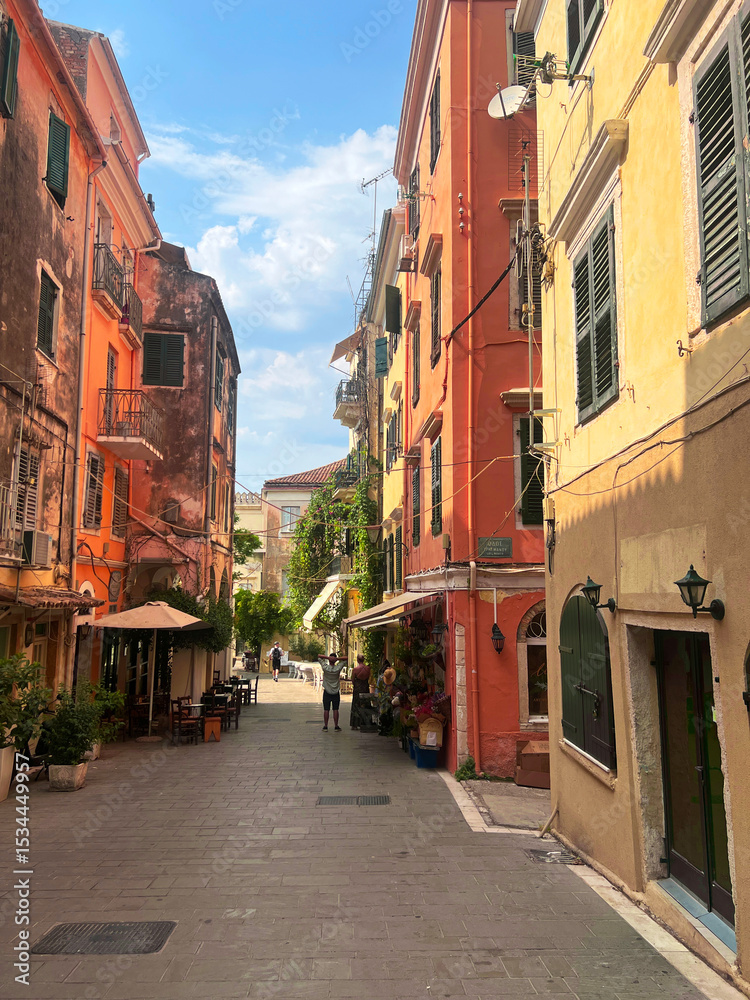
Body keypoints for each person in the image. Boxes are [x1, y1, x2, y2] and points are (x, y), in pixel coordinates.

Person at [318, 652, 348, 731]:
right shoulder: (338, 668)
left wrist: (329, 658)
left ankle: (325, 726)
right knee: (335, 709)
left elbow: (319, 656)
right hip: (336, 691)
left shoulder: (325, 668)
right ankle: (336, 726)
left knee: (326, 709)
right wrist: (337, 659)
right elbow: (346, 658)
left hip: (327, 691)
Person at [350, 654, 371, 730]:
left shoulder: (355, 669)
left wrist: (355, 684)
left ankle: (355, 724)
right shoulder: (368, 668)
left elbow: (352, 680)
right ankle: (366, 723)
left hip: (357, 689)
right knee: (365, 704)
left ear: (358, 660)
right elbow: (369, 678)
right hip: (365, 687)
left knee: (356, 705)